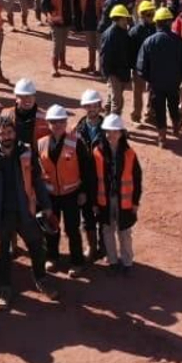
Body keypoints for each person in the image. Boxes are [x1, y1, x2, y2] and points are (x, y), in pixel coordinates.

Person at [0, 113, 56, 310]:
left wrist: (46, 205)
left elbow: (37, 180)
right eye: (3, 133)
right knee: (4, 252)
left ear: (15, 133)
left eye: (10, 132)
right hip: (1, 214)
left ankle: (41, 279)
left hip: (25, 210)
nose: (7, 136)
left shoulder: (26, 152)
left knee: (36, 245)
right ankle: (5, 289)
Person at [38, 105, 94, 274]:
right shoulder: (41, 143)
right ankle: (52, 257)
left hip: (71, 194)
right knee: (51, 227)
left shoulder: (76, 142)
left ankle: (77, 261)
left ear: (66, 122)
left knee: (72, 229)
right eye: (53, 122)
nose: (57, 125)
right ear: (48, 123)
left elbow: (87, 169)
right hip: (50, 195)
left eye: (61, 121)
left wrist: (83, 191)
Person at [93, 114, 142, 272]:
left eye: (115, 131)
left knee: (124, 232)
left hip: (124, 202)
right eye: (108, 131)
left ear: (121, 133)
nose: (111, 135)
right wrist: (94, 203)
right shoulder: (97, 152)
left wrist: (135, 202)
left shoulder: (130, 153)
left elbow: (137, 179)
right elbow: (92, 180)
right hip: (104, 200)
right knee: (107, 231)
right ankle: (113, 261)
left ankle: (127, 263)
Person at [136, 7, 182, 147]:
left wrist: (150, 79)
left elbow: (141, 66)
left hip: (156, 84)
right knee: (173, 105)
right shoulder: (179, 41)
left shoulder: (149, 41)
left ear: (157, 23)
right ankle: (176, 126)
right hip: (173, 82)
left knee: (159, 109)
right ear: (170, 22)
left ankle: (162, 137)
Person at [74, 90, 107, 261]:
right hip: (85, 180)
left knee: (104, 215)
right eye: (89, 106)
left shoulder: (110, 128)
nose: (92, 108)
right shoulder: (77, 130)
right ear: (84, 107)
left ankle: (105, 248)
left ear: (100, 106)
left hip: (104, 180)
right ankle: (91, 247)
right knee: (86, 215)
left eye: (95, 105)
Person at [39, 0, 79, 77]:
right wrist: (52, 11)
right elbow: (43, 4)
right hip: (55, 22)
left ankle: (63, 63)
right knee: (57, 45)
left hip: (67, 20)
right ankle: (54, 67)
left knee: (63, 43)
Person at [99, 4, 133, 116]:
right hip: (114, 72)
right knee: (117, 102)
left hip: (121, 71)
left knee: (112, 98)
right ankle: (114, 124)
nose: (126, 21)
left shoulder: (123, 32)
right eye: (125, 19)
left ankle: (107, 120)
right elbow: (104, 55)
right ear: (119, 19)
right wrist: (107, 73)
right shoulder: (110, 34)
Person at [10, 77, 47, 147]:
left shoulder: (45, 118)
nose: (27, 100)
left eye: (30, 96)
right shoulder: (6, 114)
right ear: (16, 98)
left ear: (34, 97)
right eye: (23, 97)